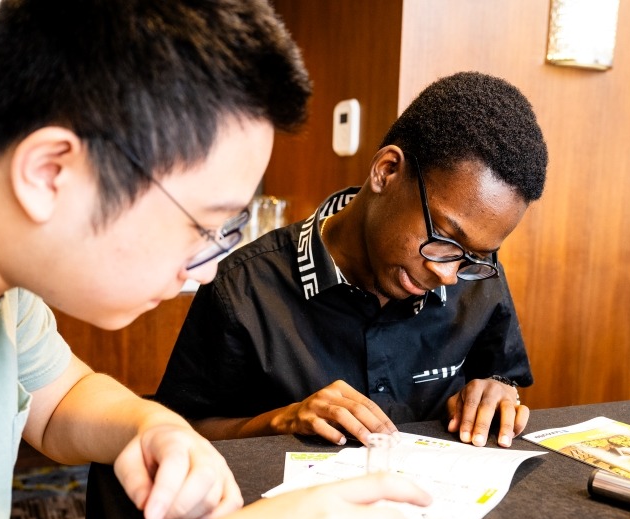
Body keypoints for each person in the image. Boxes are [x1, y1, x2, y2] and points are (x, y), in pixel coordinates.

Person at [0, 1, 431, 519]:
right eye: (201, 227)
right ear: (50, 171)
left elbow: (58, 402)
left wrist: (150, 425)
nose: (204, 270)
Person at [156, 71, 548, 450]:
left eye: (476, 256)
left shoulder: (472, 272)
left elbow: (499, 372)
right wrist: (281, 420)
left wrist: (498, 389)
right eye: (444, 237)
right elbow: (178, 431)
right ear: (387, 171)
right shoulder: (243, 290)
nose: (448, 274)